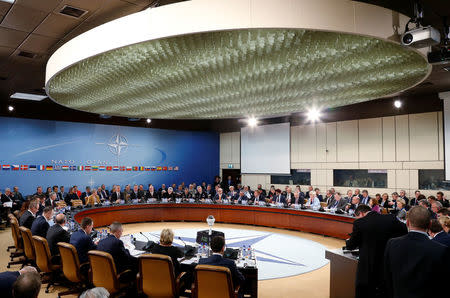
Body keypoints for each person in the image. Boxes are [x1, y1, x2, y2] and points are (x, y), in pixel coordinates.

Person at [384, 206, 450, 298]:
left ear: (407, 223)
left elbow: (387, 276)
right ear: (430, 224)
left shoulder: (392, 244)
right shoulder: (440, 249)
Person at [345, 205, 407, 298]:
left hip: (369, 265)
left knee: (366, 291)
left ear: (361, 213)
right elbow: (404, 231)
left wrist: (348, 241)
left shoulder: (359, 223)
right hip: (388, 262)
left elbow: (351, 245)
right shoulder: (390, 218)